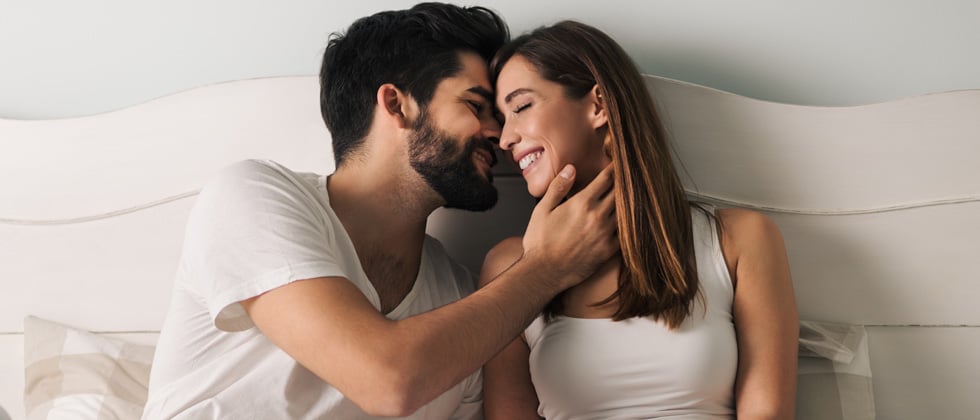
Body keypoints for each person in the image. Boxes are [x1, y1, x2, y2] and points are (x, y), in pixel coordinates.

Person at [141, 5, 620, 419]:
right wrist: (548, 266)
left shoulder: (459, 301)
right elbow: (387, 380)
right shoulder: (253, 195)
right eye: (477, 105)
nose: (500, 133)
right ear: (396, 104)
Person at [481, 21, 799, 419]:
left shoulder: (740, 240)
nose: (504, 138)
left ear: (598, 105)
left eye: (521, 107)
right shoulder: (508, 267)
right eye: (500, 117)